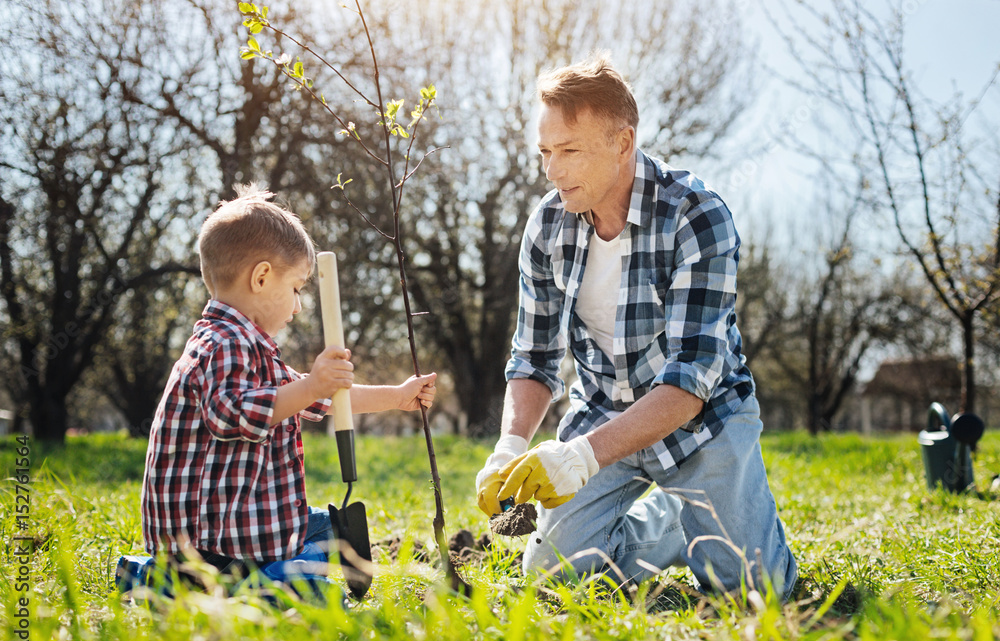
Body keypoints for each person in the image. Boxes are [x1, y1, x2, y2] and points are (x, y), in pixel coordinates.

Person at [475, 56, 797, 599]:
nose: (551, 171)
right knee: (553, 576)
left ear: (623, 143)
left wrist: (581, 456)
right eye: (545, 153)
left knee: (752, 592)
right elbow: (534, 357)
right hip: (603, 410)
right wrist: (510, 444)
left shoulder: (697, 215)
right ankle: (675, 521)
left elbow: (690, 381)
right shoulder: (548, 225)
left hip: (703, 422)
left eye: (569, 151)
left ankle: (710, 513)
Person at [141, 184, 437, 580]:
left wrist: (397, 396)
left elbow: (328, 399)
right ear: (262, 277)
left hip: (236, 528)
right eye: (296, 288)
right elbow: (231, 415)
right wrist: (311, 386)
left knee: (329, 529)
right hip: (207, 547)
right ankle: (201, 579)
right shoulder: (221, 345)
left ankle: (297, 562)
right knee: (311, 585)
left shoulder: (251, 347)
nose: (298, 306)